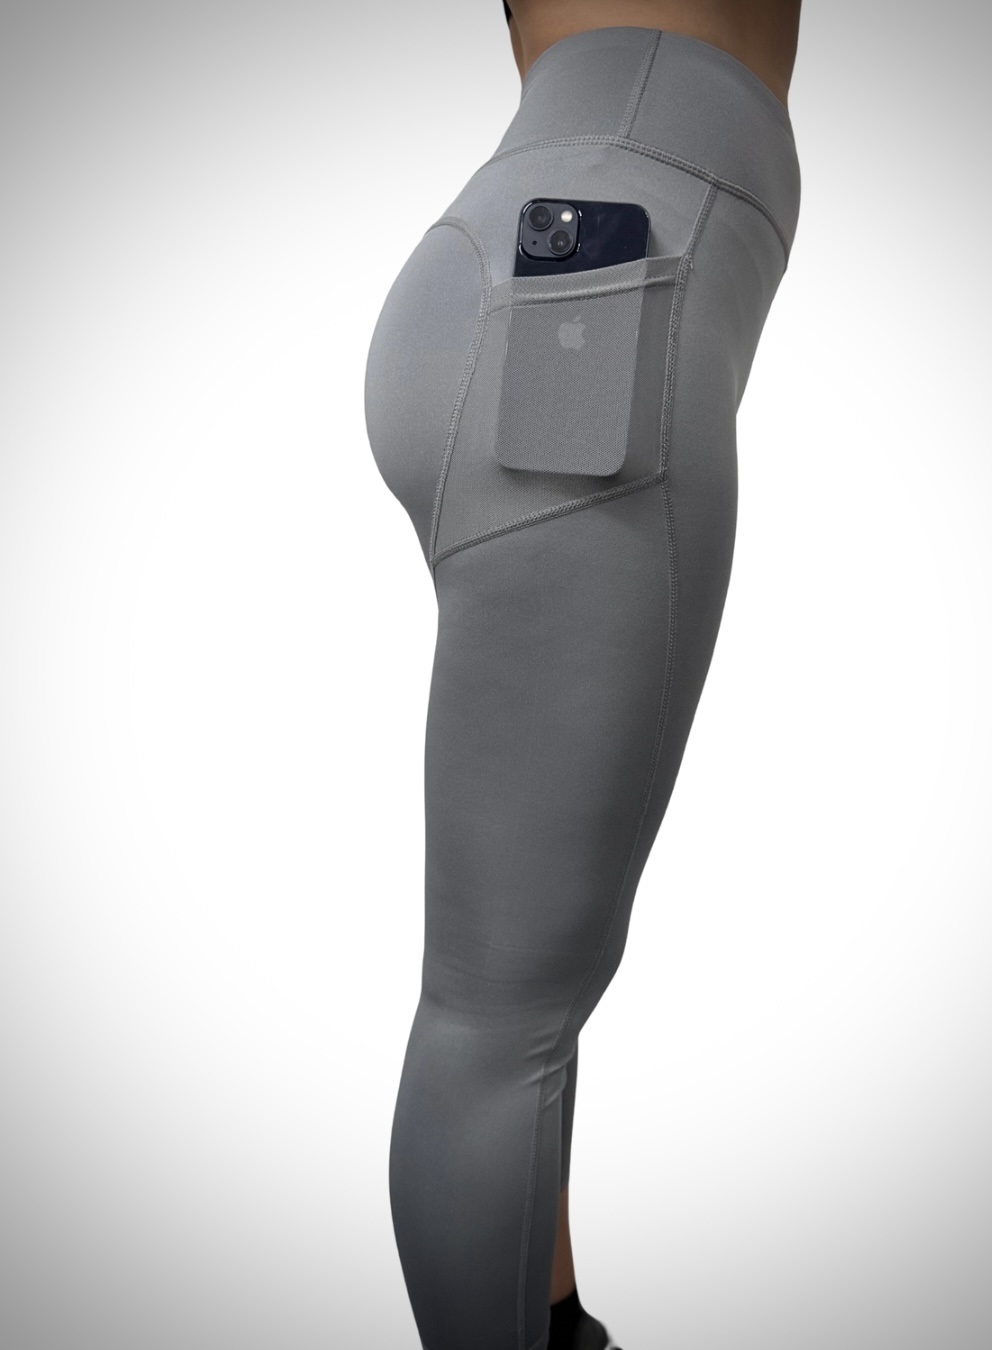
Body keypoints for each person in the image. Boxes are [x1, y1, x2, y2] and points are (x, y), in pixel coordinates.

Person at [364, 4, 803, 1347]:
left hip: (550, 260)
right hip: (593, 300)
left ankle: (550, 1316)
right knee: (503, 1011)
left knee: (520, 996)